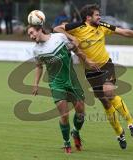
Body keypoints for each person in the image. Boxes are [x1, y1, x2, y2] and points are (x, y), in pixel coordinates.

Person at [54, 4, 133, 149]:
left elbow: (124, 32)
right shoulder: (78, 27)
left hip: (106, 65)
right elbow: (57, 28)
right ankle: (120, 133)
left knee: (109, 92)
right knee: (105, 103)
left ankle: (131, 123)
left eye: (99, 14)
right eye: (97, 15)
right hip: (91, 71)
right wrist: (72, 37)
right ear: (88, 17)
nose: (100, 17)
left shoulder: (102, 26)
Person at [27, 24, 86, 154]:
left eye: (32, 33)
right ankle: (66, 143)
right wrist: (35, 84)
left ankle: (75, 132)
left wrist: (86, 59)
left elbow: (74, 47)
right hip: (56, 84)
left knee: (81, 113)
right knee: (64, 115)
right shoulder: (37, 50)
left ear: (40, 30)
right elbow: (39, 66)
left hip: (72, 80)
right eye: (29, 35)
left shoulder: (59, 37)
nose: (31, 36)